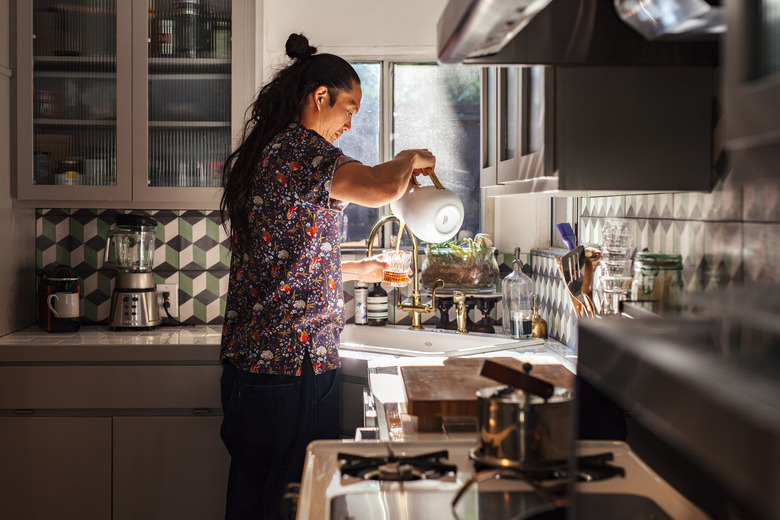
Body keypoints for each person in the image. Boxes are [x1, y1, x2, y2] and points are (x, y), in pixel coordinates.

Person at [218, 33, 435, 520]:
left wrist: (357, 268)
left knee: (253, 499)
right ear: (321, 97)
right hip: (292, 366)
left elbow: (284, 259)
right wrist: (411, 158)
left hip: (254, 367)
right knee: (295, 501)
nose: (350, 124)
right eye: (349, 109)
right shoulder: (302, 150)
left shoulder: (270, 150)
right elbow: (380, 188)